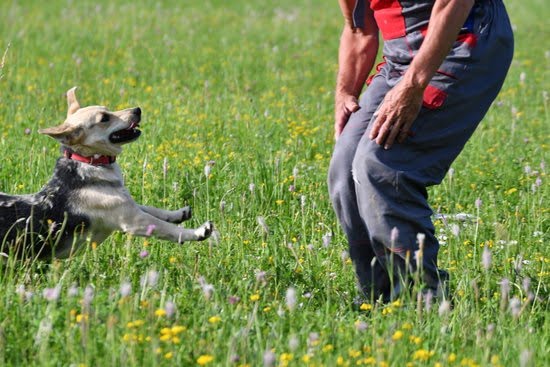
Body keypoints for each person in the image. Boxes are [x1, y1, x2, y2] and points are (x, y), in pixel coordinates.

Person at [328, 0, 514, 302]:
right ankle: (380, 300)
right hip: (400, 57)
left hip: (462, 41)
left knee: (382, 163)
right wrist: (345, 92)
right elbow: (359, 28)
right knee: (344, 165)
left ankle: (422, 300)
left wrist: (414, 84)